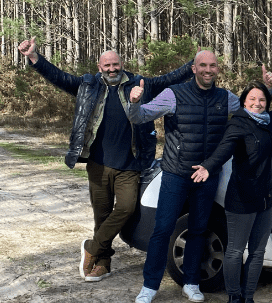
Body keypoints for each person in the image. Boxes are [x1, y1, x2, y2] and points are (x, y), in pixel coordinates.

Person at [17, 36, 193, 282]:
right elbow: (59, 77)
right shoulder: (88, 85)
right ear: (100, 68)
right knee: (101, 214)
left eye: (115, 65)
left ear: (122, 64)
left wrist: (193, 64)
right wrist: (34, 57)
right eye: (107, 66)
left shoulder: (138, 84)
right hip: (98, 163)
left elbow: (169, 79)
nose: (112, 69)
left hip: (130, 165)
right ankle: (103, 264)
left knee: (126, 208)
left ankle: (92, 247)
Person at [126, 50, 272, 303]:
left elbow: (255, 110)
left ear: (218, 69)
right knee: (162, 230)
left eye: (213, 66)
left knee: (198, 229)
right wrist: (135, 101)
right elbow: (138, 117)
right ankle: (150, 285)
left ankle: (192, 282)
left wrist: (268, 89)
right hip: (175, 174)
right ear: (193, 68)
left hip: (207, 176)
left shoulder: (225, 98)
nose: (208, 70)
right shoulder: (173, 95)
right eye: (202, 65)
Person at [196, 66, 272, 303]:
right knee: (236, 251)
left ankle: (249, 299)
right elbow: (224, 149)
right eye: (252, 99)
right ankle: (233, 299)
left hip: (266, 197)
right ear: (244, 102)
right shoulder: (238, 124)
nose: (258, 103)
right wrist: (208, 166)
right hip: (241, 198)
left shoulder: (269, 121)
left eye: (261, 100)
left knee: (258, 252)